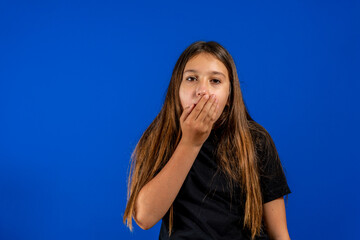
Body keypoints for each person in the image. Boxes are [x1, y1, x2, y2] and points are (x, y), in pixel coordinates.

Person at [123, 41, 292, 240]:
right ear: (177, 89)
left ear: (229, 96)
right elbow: (144, 217)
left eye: (215, 81)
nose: (202, 90)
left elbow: (279, 234)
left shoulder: (256, 141)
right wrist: (190, 143)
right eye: (192, 78)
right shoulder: (160, 137)